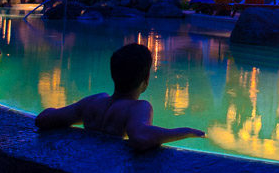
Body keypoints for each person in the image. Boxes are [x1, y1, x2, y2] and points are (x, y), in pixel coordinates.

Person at [35, 43, 204, 150]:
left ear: (113, 74)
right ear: (146, 80)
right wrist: (186, 131)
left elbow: (43, 119)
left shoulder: (94, 102)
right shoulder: (138, 107)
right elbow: (141, 136)